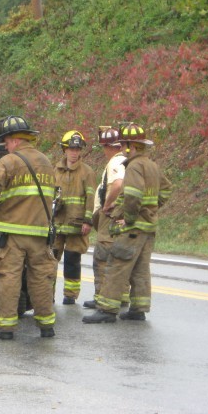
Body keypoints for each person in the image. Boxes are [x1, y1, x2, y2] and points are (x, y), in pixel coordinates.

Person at [0, 116, 58, 340]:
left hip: (13, 233)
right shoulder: (46, 162)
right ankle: (46, 326)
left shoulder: (9, 162)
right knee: (41, 278)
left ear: (13, 140)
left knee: (9, 277)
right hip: (40, 233)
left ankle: (7, 329)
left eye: (5, 143)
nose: (5, 147)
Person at [82, 123, 171, 324]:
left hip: (134, 228)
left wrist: (128, 218)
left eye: (123, 145)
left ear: (130, 145)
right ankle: (139, 309)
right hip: (148, 228)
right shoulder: (152, 165)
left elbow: (132, 194)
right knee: (140, 269)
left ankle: (107, 310)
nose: (122, 148)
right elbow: (166, 190)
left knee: (117, 265)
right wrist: (152, 208)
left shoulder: (135, 166)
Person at [83, 126, 127, 309]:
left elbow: (117, 185)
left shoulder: (116, 162)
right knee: (120, 257)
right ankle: (122, 295)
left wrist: (107, 204)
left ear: (109, 147)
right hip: (121, 216)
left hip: (109, 217)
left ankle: (101, 297)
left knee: (102, 258)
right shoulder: (129, 161)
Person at [52, 130, 96, 305]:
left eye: (77, 149)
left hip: (76, 224)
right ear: (64, 149)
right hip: (56, 223)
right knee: (50, 259)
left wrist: (87, 221)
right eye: (71, 149)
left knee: (72, 260)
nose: (74, 152)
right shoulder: (55, 170)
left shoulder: (87, 172)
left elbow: (90, 197)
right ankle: (47, 294)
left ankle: (70, 295)